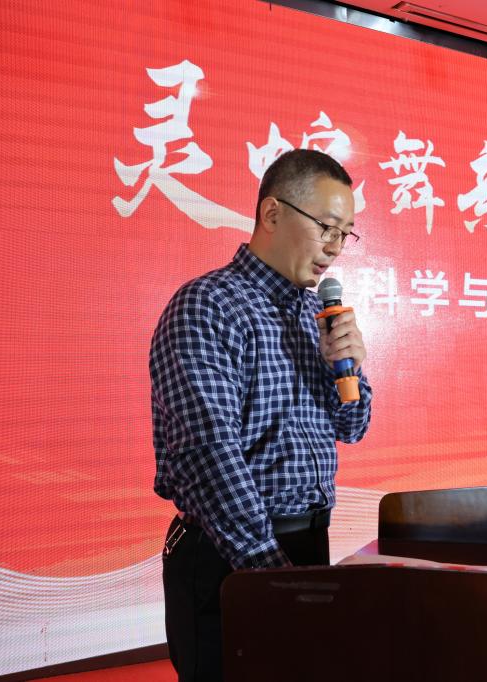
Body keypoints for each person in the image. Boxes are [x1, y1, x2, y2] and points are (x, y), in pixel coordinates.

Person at [149, 148, 373, 681]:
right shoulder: (208, 305)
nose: (335, 247)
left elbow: (353, 426)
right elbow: (207, 455)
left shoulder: (316, 313)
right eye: (327, 228)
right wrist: (271, 574)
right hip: (230, 557)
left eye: (345, 234)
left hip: (305, 545)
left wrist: (348, 368)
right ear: (272, 214)